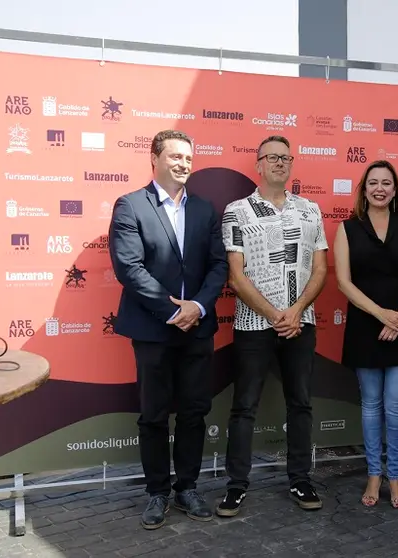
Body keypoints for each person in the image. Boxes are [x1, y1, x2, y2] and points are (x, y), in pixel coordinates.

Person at [109, 129, 228, 529]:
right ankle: (157, 492)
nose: (183, 164)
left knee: (195, 412)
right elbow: (129, 267)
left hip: (197, 328)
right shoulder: (130, 206)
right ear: (155, 158)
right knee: (154, 415)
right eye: (175, 156)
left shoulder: (206, 210)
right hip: (154, 329)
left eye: (188, 158)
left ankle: (188, 488)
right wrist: (170, 310)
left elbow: (219, 266)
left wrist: (196, 306)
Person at [216, 135, 328, 517]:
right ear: (258, 165)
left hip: (301, 322)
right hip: (253, 324)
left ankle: (300, 479)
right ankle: (236, 486)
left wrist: (295, 311)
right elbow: (236, 275)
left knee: (300, 404)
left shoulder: (310, 209)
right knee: (244, 406)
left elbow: (320, 268)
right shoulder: (237, 211)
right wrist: (273, 314)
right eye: (272, 157)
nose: (280, 163)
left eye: (285, 157)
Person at [333, 160, 398, 509]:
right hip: (365, 326)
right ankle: (374, 473)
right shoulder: (348, 229)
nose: (380, 188)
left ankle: (396, 476)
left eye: (387, 182)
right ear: (364, 189)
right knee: (371, 405)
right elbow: (343, 281)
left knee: (396, 405)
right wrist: (381, 315)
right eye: (373, 182)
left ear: (395, 189)